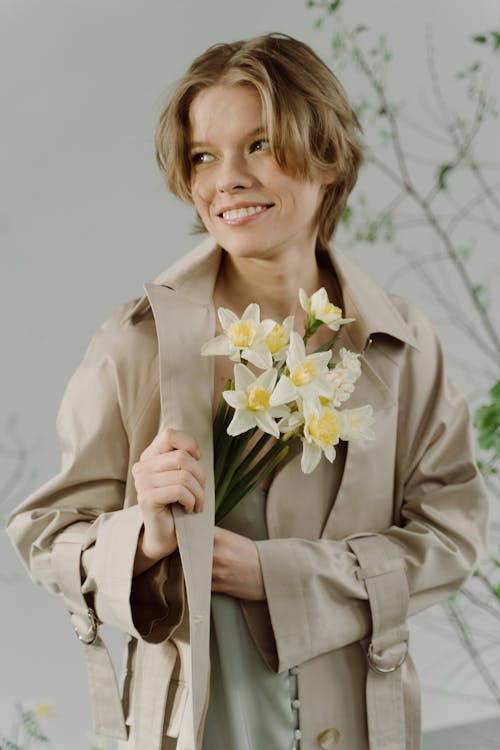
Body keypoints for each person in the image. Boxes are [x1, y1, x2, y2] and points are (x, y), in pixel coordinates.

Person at [7, 33, 488, 750]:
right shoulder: (137, 343)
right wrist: (145, 536)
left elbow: (450, 535)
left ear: (325, 156)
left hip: (359, 723)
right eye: (204, 156)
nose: (225, 179)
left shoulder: (398, 344)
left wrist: (278, 575)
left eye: (259, 146)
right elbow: (44, 535)